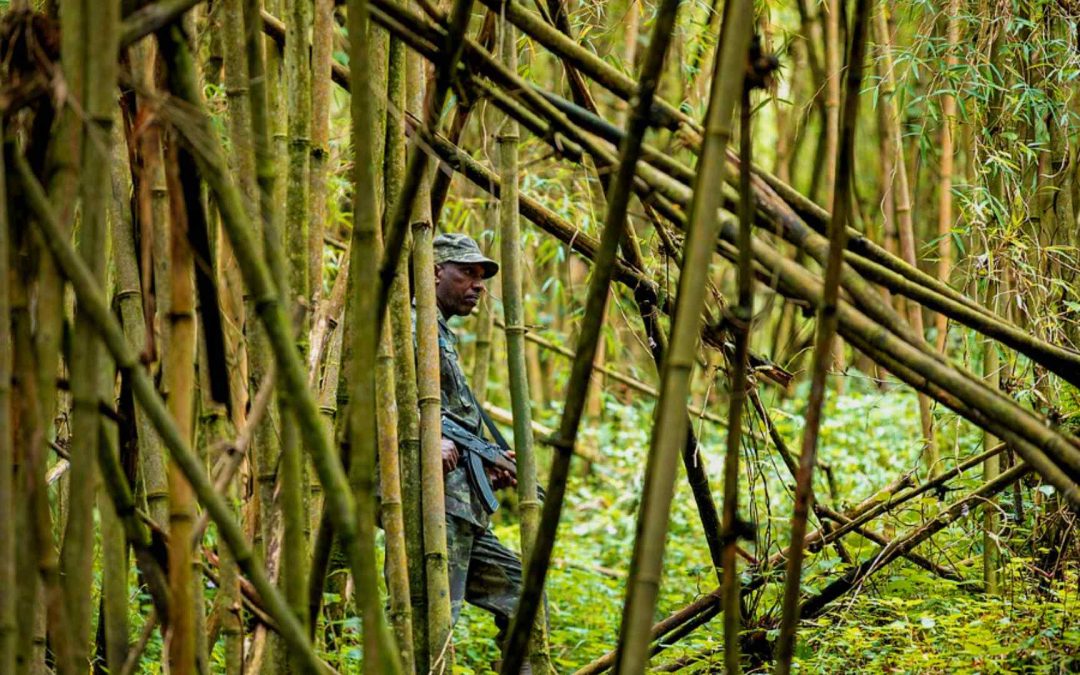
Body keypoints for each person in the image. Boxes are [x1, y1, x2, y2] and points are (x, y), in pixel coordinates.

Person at [429, 232, 530, 668]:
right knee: (432, 619)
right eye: (466, 272)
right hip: (431, 505)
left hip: (461, 505)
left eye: (482, 276)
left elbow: (451, 417)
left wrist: (485, 464)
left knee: (522, 589)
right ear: (434, 271)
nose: (479, 284)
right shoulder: (407, 327)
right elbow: (378, 399)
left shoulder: (439, 333)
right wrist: (428, 437)